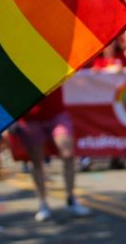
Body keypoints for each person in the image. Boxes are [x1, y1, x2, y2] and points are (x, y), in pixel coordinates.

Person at [15, 88, 90, 221]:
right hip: (29, 118)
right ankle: (43, 203)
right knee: (37, 162)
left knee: (68, 154)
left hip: (56, 114)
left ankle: (71, 199)